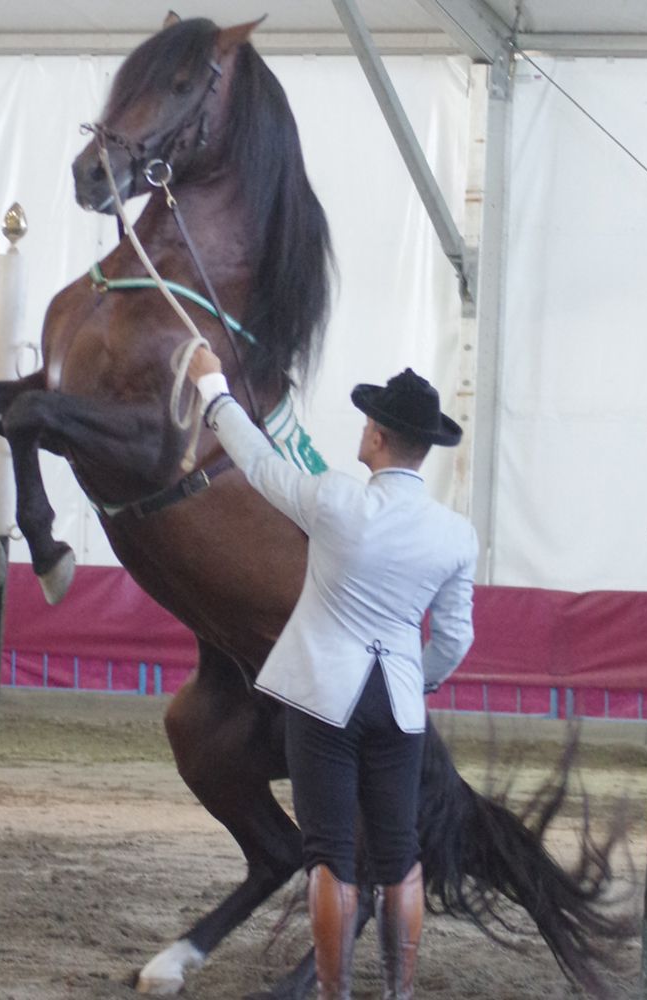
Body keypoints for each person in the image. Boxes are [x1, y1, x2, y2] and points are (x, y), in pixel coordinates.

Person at [188, 349, 477, 1000]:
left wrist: (213, 388)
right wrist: (415, 677)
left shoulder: (336, 499)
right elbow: (457, 638)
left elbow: (259, 464)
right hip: (397, 706)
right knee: (399, 857)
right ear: (424, 450)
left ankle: (332, 990)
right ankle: (400, 992)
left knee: (329, 855)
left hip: (324, 699)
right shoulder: (457, 535)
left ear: (375, 436)